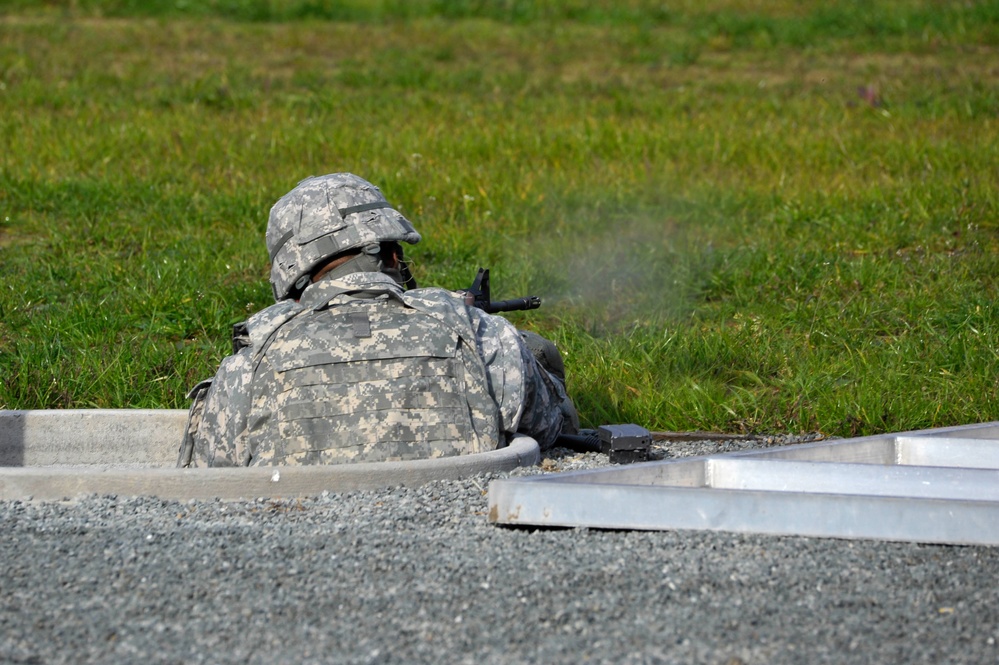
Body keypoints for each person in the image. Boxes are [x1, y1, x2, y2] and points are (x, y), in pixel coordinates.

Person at [178, 173, 578, 468]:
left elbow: (211, 474)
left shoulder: (251, 359)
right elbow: (549, 429)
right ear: (389, 256)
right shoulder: (479, 335)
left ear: (294, 272)